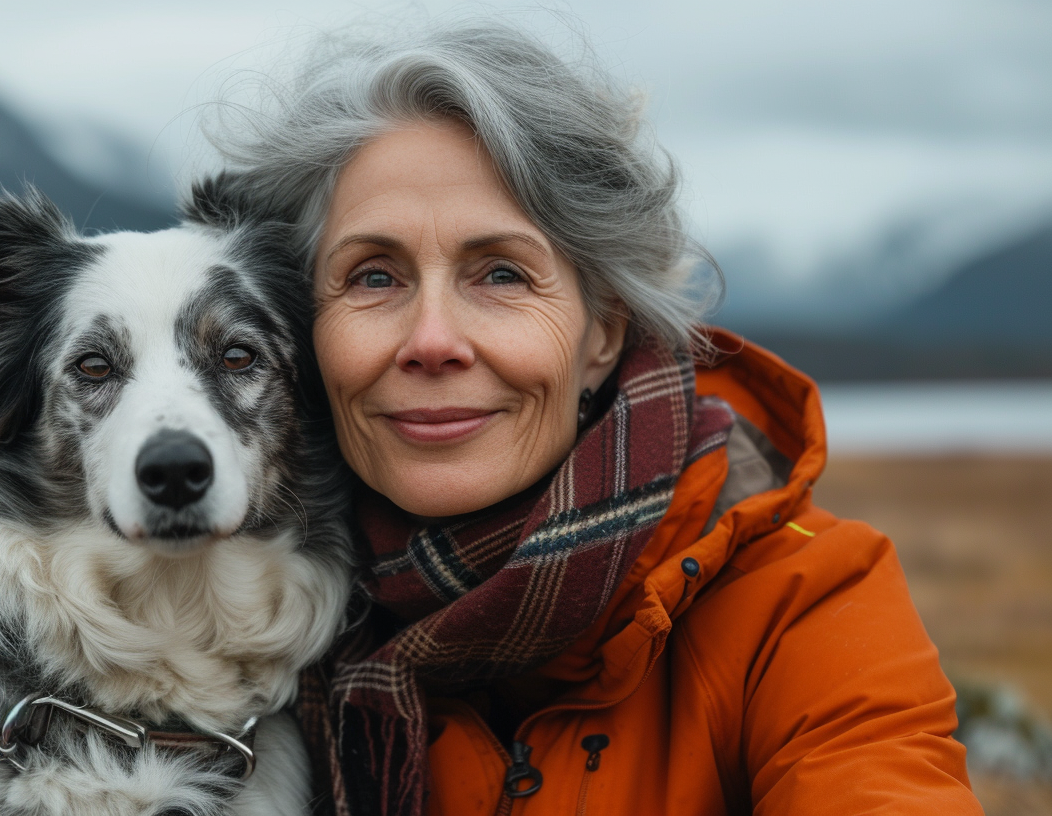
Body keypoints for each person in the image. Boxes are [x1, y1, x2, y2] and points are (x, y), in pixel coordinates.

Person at [202, 17, 984, 816]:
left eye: (501, 274)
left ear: (603, 330)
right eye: (373, 277)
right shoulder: (217, 618)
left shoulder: (804, 598)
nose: (431, 340)